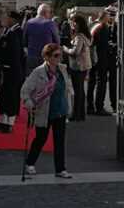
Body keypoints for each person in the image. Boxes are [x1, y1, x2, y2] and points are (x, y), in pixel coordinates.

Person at [20, 43, 73, 179]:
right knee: (40, 139)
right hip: (45, 111)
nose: (59, 58)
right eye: (56, 55)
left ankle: (60, 169)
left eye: (60, 55)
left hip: (60, 110)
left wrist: (70, 103)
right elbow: (25, 90)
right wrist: (28, 102)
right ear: (46, 57)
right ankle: (30, 163)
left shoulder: (62, 69)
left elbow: (67, 87)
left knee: (59, 141)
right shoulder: (38, 72)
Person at [0, 10, 25, 133]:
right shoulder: (10, 32)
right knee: (4, 96)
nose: (6, 20)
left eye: (8, 17)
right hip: (8, 68)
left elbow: (15, 53)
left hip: (12, 69)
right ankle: (3, 121)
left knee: (11, 96)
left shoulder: (15, 33)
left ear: (13, 19)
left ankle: (9, 122)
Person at [62, 14, 92, 121]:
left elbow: (75, 52)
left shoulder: (79, 37)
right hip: (83, 66)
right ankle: (81, 114)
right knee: (80, 91)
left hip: (78, 66)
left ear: (79, 24)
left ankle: (77, 115)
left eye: (74, 22)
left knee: (77, 91)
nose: (72, 24)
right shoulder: (84, 36)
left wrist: (65, 49)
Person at [89, 9, 115, 115]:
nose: (110, 17)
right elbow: (103, 45)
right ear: (105, 17)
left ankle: (90, 106)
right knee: (101, 82)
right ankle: (99, 107)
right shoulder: (103, 27)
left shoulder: (93, 25)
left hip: (92, 58)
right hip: (101, 58)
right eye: (109, 15)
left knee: (92, 83)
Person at [24, 4, 60, 74]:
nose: (50, 15)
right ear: (45, 13)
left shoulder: (28, 23)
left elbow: (24, 41)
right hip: (47, 58)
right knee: (46, 82)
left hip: (32, 57)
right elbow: (57, 41)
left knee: (32, 81)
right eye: (49, 12)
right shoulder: (50, 23)